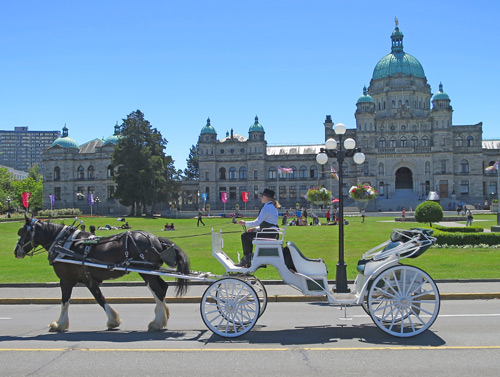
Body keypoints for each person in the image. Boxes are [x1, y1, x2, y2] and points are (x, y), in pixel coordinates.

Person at [236, 188, 279, 267]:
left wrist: (244, 223)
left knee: (245, 236)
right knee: (248, 235)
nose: (261, 197)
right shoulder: (272, 207)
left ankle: (246, 260)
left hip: (269, 234)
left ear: (268, 197)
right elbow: (267, 223)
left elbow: (257, 222)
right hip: (272, 233)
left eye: (262, 196)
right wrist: (255, 229)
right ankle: (250, 258)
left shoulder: (267, 207)